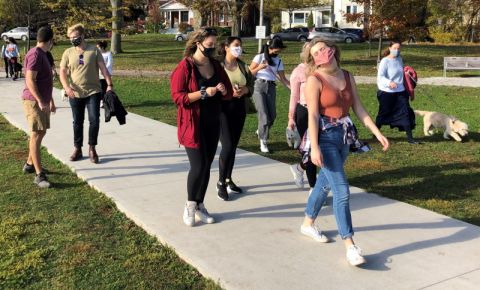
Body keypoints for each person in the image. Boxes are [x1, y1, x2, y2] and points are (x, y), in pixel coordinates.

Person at [302, 38, 389, 266]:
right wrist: (315, 147)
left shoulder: (347, 76)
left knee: (325, 183)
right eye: (316, 52)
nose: (322, 53)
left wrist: (377, 133)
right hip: (325, 137)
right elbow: (312, 115)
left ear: (332, 50)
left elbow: (358, 107)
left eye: (323, 48)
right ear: (313, 59)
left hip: (344, 136)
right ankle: (350, 245)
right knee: (342, 190)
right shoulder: (314, 80)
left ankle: (308, 223)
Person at [170, 28, 233, 226]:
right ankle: (189, 205)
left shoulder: (215, 65)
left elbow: (228, 91)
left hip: (213, 123)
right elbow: (178, 97)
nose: (212, 48)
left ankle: (200, 205)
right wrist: (203, 93)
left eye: (214, 45)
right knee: (197, 166)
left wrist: (222, 89)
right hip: (192, 124)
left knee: (206, 165)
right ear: (198, 43)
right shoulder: (185, 67)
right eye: (209, 45)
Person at [59, 24, 113, 164]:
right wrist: (66, 88)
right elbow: (63, 73)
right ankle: (78, 148)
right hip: (75, 93)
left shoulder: (94, 50)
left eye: (75, 37)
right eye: (70, 38)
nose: (72, 40)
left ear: (82, 36)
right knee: (77, 122)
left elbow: (103, 69)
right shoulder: (68, 52)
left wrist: (109, 85)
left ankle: (92, 148)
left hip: (93, 92)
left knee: (94, 120)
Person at [216, 36, 254, 201]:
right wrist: (226, 90)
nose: (239, 48)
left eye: (240, 45)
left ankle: (228, 178)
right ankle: (220, 183)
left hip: (239, 108)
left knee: (233, 146)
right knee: (227, 145)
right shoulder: (218, 66)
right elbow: (212, 85)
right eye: (236, 45)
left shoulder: (243, 66)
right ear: (226, 47)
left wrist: (245, 89)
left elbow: (251, 85)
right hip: (223, 109)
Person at [21, 26, 56, 188]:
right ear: (49, 41)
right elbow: (30, 80)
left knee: (41, 132)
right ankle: (38, 175)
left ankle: (30, 164)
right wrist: (41, 101)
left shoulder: (43, 54)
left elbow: (45, 81)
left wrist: (51, 101)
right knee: (36, 134)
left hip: (42, 100)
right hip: (34, 101)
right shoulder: (35, 54)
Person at [249, 37, 290, 153]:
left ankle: (260, 130)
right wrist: (259, 67)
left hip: (271, 87)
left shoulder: (279, 61)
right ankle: (263, 141)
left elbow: (283, 79)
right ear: (270, 48)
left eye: (280, 50)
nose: (278, 52)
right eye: (277, 49)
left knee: (272, 115)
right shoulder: (260, 57)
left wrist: (295, 89)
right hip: (258, 86)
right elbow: (248, 73)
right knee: (264, 115)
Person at [376, 40, 418, 144]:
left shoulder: (399, 59)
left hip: (400, 91)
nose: (397, 50)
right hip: (387, 92)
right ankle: (376, 134)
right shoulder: (385, 61)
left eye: (398, 48)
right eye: (395, 48)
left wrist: (407, 73)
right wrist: (389, 82)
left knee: (405, 113)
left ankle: (410, 139)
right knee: (383, 113)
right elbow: (380, 76)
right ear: (390, 48)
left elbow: (401, 73)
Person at [288, 41, 317, 191]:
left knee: (321, 149)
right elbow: (294, 96)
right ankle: (314, 187)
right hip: (304, 112)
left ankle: (299, 168)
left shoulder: (322, 69)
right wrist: (291, 118)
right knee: (311, 149)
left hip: (321, 112)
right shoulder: (298, 71)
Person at [96, 40, 113, 108]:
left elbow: (109, 63)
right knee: (100, 88)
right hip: (98, 74)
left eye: (98, 47)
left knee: (104, 87)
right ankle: (102, 100)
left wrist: (103, 69)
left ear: (102, 47)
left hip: (106, 74)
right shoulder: (97, 54)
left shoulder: (108, 54)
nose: (97, 49)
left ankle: (104, 101)